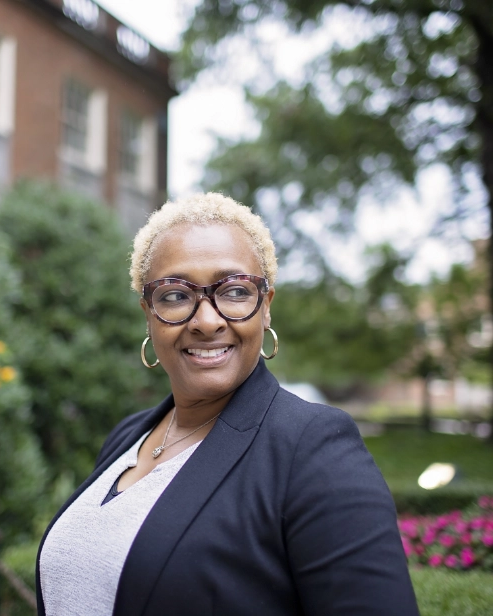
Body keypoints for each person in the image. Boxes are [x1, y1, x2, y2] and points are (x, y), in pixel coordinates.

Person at [36, 193, 419, 616]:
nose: (206, 320)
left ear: (266, 308)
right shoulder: (129, 437)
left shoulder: (313, 448)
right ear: (149, 314)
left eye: (235, 291)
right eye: (175, 295)